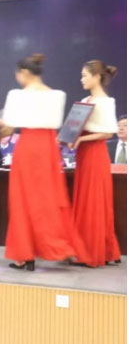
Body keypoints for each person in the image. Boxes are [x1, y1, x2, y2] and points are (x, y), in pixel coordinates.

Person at [0, 54, 89, 271]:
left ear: (24, 73)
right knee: (49, 198)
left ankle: (24, 255)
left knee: (22, 200)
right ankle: (59, 246)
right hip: (48, 148)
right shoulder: (57, 95)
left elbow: (9, 126)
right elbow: (57, 123)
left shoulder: (16, 95)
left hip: (27, 147)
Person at [71, 60, 122, 267]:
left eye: (85, 75)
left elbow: (109, 133)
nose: (81, 79)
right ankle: (99, 249)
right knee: (85, 200)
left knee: (93, 202)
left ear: (97, 76)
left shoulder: (106, 102)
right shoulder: (86, 99)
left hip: (95, 153)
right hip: (84, 154)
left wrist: (81, 138)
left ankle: (93, 252)